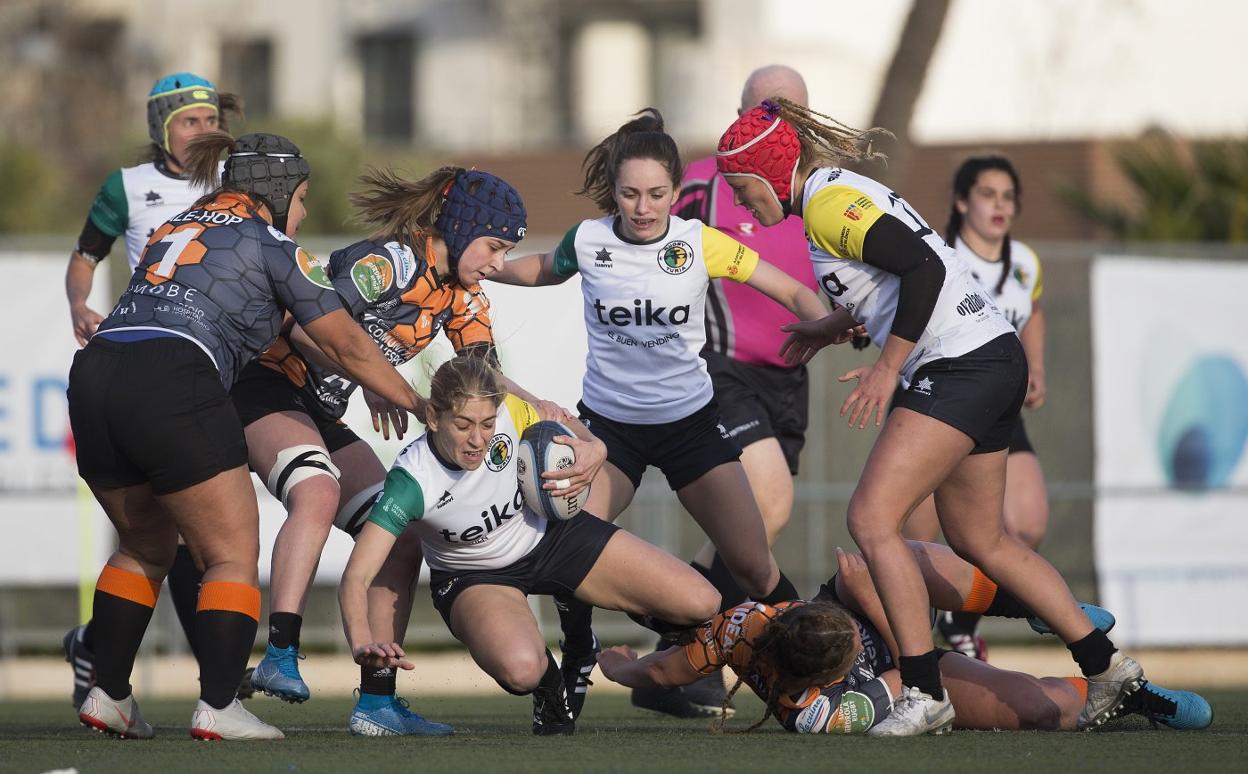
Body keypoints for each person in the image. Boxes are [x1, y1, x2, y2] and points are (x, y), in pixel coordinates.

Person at [716, 98, 1146, 735]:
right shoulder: (832, 200)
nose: (743, 204)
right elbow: (890, 282)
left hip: (961, 363)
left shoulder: (829, 202)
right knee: (981, 539)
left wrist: (889, 366)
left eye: (742, 189)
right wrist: (830, 326)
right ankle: (1108, 667)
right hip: (990, 356)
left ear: (774, 170)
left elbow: (924, 269)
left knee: (870, 517)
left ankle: (923, 690)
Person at [67, 129, 424, 741]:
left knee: (144, 547)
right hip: (172, 376)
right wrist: (416, 399)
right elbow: (341, 340)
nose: (305, 210)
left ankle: (110, 693)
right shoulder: (271, 241)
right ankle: (219, 706)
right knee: (230, 554)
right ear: (281, 191)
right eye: (304, 197)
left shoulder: (174, 225)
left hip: (96, 374)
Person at [487, 108, 829, 705]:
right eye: (629, 194)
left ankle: (814, 670)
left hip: (691, 427)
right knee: (570, 541)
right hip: (609, 432)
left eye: (656, 194)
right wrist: (487, 269)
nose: (643, 208)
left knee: (753, 566)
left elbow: (792, 289)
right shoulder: (589, 240)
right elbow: (544, 269)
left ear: (677, 191)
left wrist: (830, 322)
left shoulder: (699, 243)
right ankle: (577, 668)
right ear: (613, 192)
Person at [231, 166, 577, 737]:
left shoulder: (462, 295)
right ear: (461, 229)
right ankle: (282, 652)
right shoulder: (388, 264)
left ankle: (376, 704)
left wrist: (541, 405)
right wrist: (373, 377)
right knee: (313, 490)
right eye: (493, 247)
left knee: (397, 540)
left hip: (315, 408)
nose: (497, 263)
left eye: (505, 251)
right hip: (266, 387)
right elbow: (300, 325)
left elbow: (483, 373)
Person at [339, 354, 721, 736]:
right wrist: (361, 643)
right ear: (435, 418)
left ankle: (583, 643)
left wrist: (595, 447)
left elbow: (567, 423)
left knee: (703, 602)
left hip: (556, 540)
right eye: (463, 425)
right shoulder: (413, 480)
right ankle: (549, 686)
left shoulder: (514, 414)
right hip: (475, 576)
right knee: (521, 670)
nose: (477, 440)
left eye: (487, 424)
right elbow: (358, 576)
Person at [597, 543, 1213, 734]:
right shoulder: (823, 714)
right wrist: (873, 604)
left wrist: (616, 666)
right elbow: (915, 670)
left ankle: (1038, 605)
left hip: (872, 626)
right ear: (825, 673)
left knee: (893, 555)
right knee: (1035, 706)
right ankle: (1127, 697)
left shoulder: (746, 624)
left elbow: (664, 671)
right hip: (908, 669)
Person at [62, 72, 243, 709]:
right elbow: (86, 253)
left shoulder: (236, 183)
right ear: (161, 131)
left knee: (191, 537)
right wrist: (81, 304)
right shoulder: (130, 187)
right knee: (175, 538)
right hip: (157, 364)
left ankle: (106, 656)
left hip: (211, 365)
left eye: (208, 120)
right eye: (187, 122)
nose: (201, 131)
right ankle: (218, 683)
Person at [656, 65, 825, 719]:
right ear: (737, 115)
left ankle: (677, 646)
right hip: (720, 369)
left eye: (791, 112)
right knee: (768, 503)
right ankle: (675, 643)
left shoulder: (823, 191)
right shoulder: (703, 183)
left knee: (760, 524)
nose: (777, 122)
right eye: (763, 109)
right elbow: (644, 243)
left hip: (791, 378)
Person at [902, 155, 1051, 662]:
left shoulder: (1025, 262)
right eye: (988, 194)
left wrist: (1038, 366)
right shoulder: (943, 256)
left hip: (996, 405)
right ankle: (904, 643)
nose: (999, 206)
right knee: (915, 534)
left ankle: (959, 620)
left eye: (1008, 197)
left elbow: (1033, 311)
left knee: (1026, 523)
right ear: (963, 201)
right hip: (937, 401)